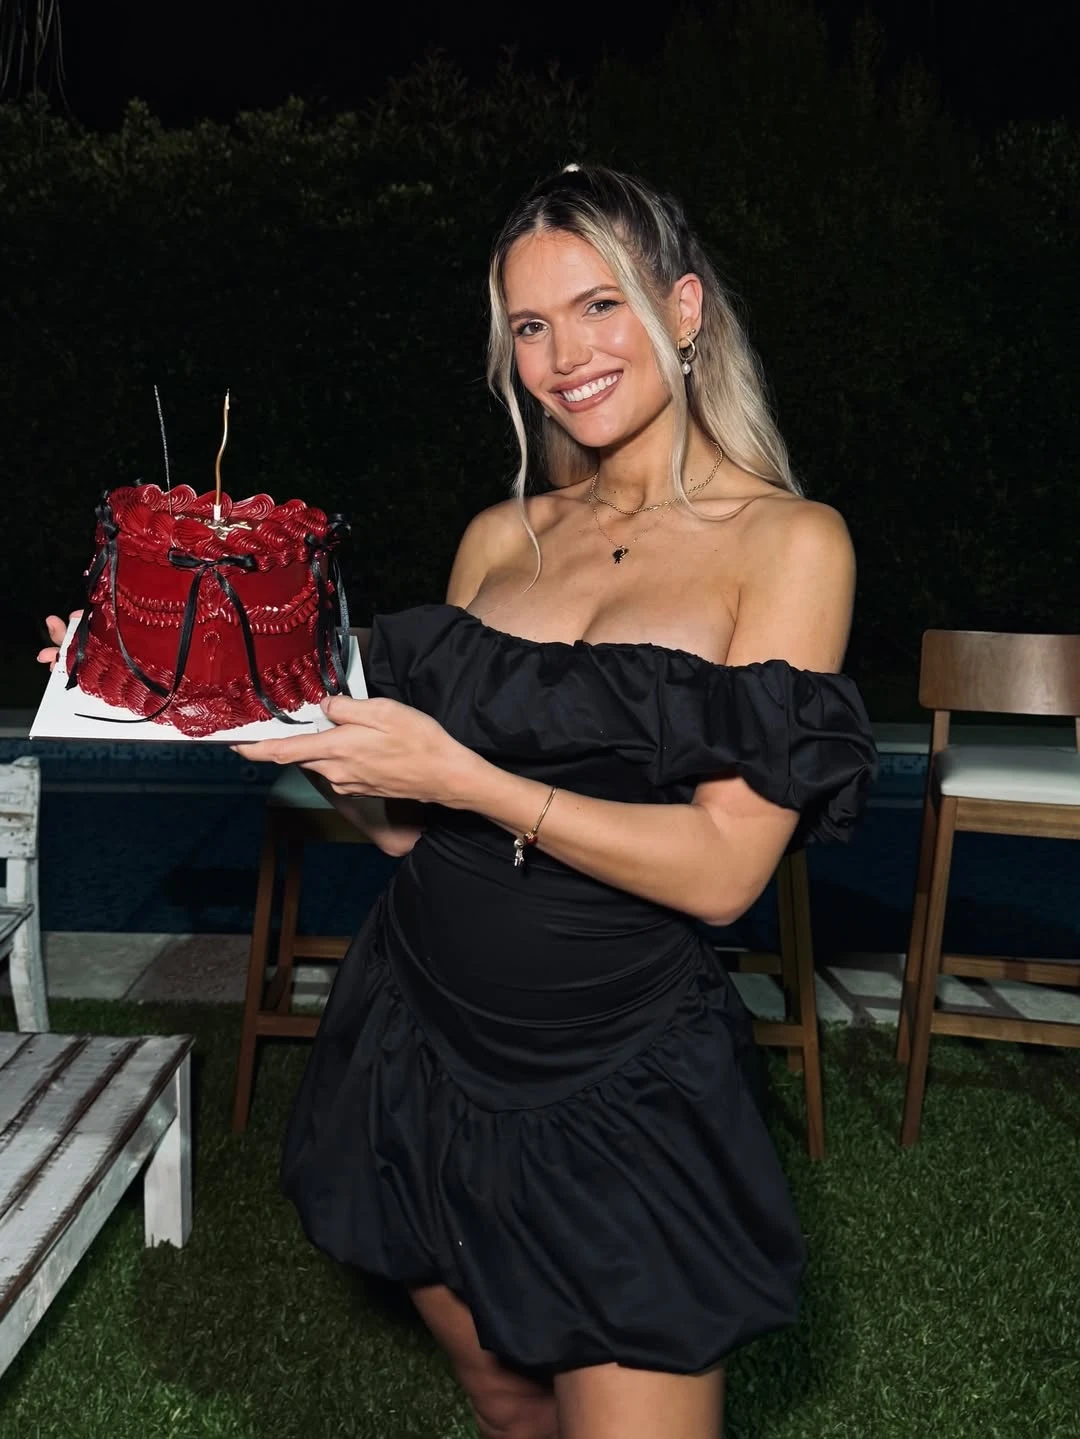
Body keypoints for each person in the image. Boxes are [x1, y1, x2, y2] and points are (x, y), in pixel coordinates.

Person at [41, 165, 877, 1438]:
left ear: (685, 309)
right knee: (503, 1401)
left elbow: (723, 872)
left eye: (599, 306)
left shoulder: (791, 543)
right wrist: (218, 705)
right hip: (417, 1037)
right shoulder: (500, 537)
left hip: (617, 1074)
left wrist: (470, 775)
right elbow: (405, 825)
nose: (565, 357)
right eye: (530, 326)